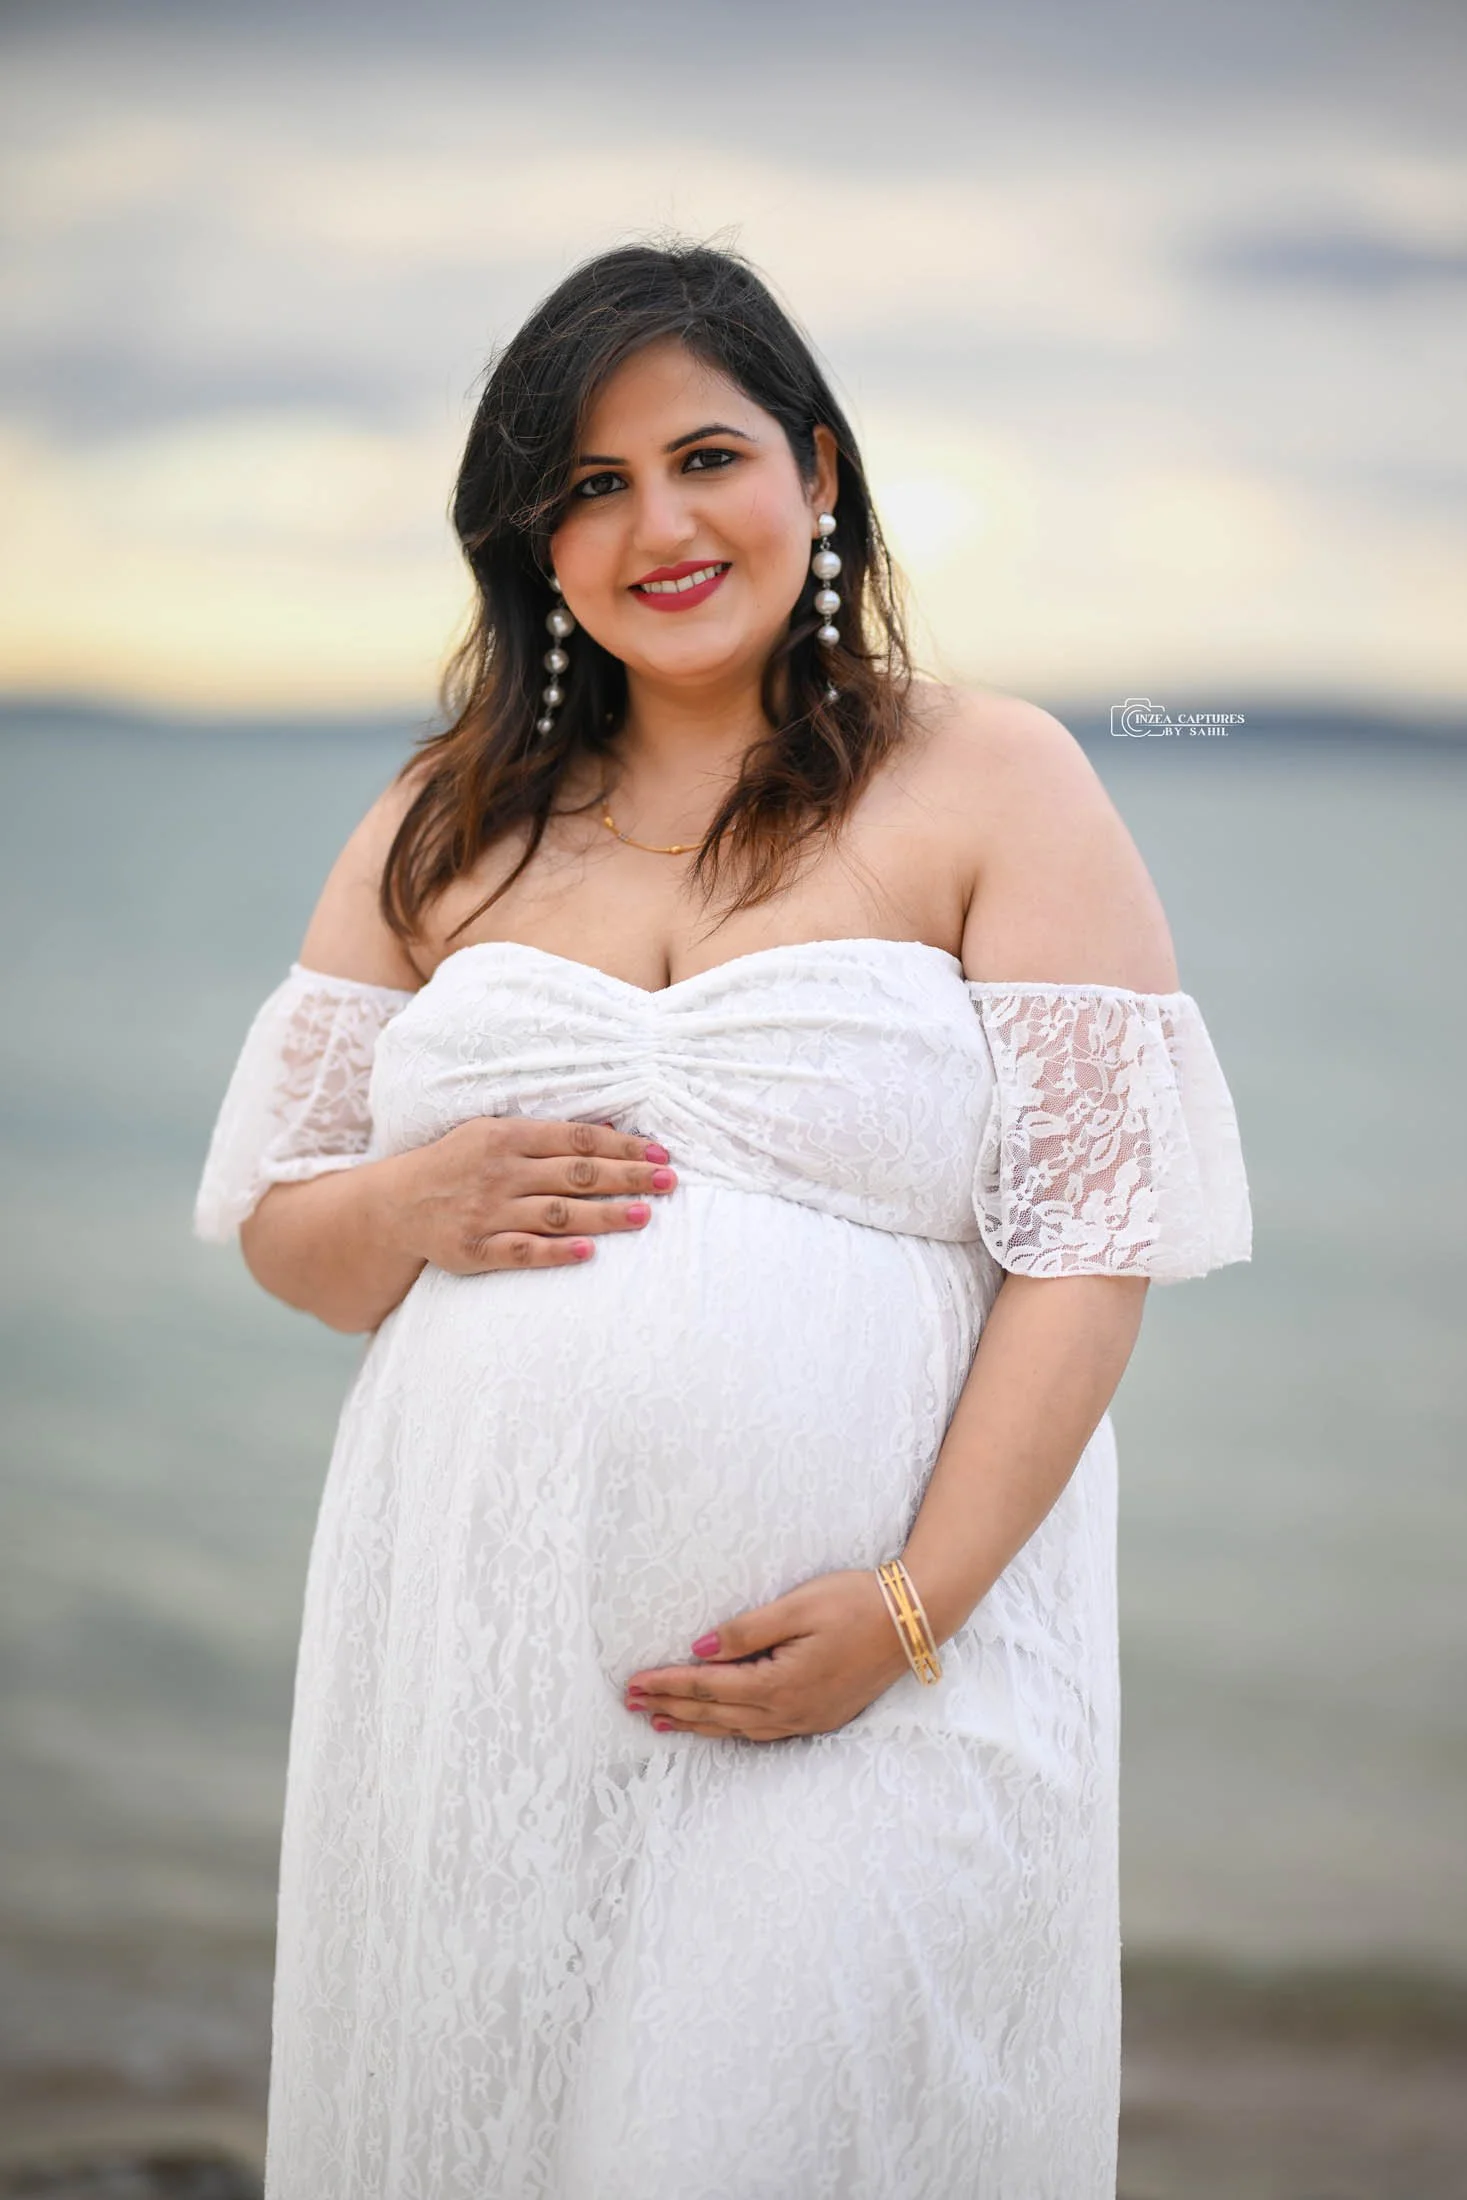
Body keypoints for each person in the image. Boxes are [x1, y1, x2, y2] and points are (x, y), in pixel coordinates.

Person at [194, 241, 1252, 2200]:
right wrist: (418, 1195)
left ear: (819, 474)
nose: (656, 523)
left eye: (705, 455)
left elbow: (1091, 1239)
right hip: (482, 1673)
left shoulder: (990, 778)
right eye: (588, 485)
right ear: (529, 540)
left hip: (874, 1664)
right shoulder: (447, 815)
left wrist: (913, 1606)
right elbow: (284, 1226)